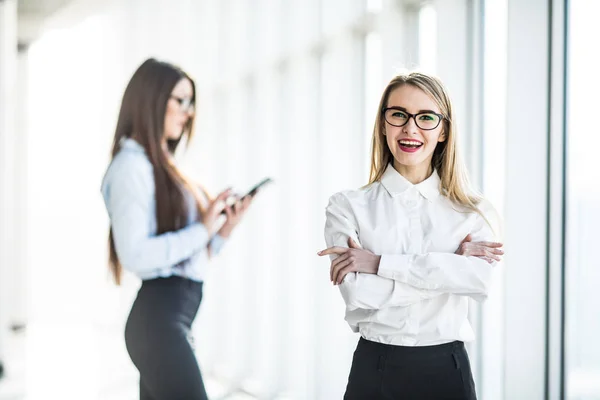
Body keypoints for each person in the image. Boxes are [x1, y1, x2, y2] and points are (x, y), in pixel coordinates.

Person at [318, 72, 503, 399]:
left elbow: (479, 282)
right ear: (384, 123)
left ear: (443, 130)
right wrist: (449, 269)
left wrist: (378, 264)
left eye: (426, 117)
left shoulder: (472, 211)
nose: (410, 128)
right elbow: (359, 296)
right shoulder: (347, 206)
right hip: (376, 369)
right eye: (399, 114)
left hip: (449, 371)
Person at [101, 58, 251, 400]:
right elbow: (137, 255)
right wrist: (201, 229)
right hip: (158, 322)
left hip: (170, 318)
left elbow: (186, 257)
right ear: (152, 101)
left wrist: (221, 231)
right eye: (179, 100)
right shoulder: (131, 168)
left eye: (191, 101)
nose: (189, 111)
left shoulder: (162, 165)